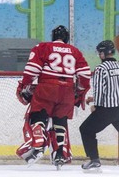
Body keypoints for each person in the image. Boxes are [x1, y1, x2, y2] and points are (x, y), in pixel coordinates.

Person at [16, 25, 91, 168]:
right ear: (66, 37)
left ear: (53, 36)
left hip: (47, 88)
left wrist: (24, 85)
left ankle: (38, 142)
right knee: (60, 120)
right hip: (67, 90)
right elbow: (85, 74)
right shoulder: (75, 51)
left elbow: (32, 69)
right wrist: (80, 90)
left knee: (37, 115)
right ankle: (59, 154)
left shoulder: (43, 47)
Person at [80, 40, 119, 172]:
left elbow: (100, 90)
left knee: (86, 130)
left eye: (99, 52)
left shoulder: (100, 69)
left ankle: (94, 160)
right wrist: (94, 98)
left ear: (103, 53)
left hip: (106, 109)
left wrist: (96, 105)